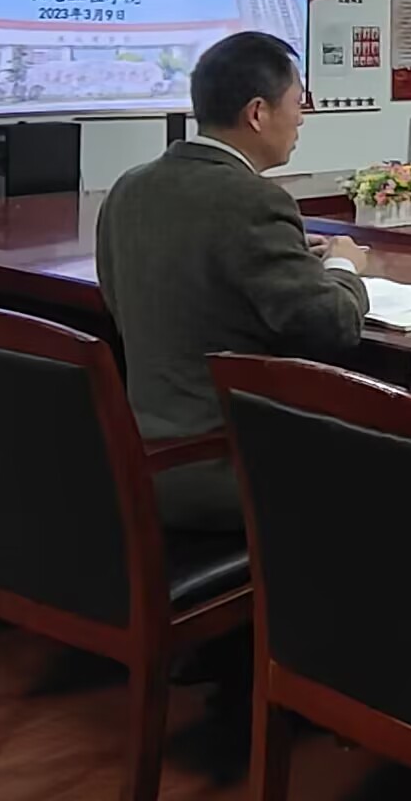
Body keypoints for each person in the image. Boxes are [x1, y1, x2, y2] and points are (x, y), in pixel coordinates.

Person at [97, 31, 369, 533]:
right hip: (222, 463)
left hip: (138, 453)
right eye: (297, 102)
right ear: (258, 113)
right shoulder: (252, 200)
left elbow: (126, 302)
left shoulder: (129, 187)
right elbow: (333, 327)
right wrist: (343, 267)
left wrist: (288, 257)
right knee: (393, 461)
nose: (302, 118)